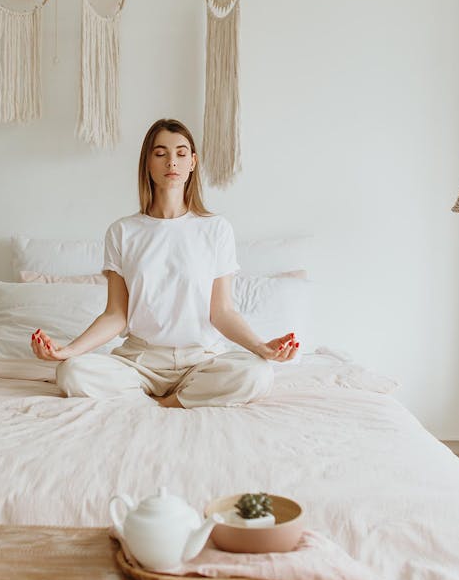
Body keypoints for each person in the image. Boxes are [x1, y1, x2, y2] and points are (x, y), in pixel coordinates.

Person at [30, 118, 300, 408]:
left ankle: (166, 402)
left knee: (258, 374)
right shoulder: (123, 231)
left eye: (181, 153)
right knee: (71, 372)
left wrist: (261, 347)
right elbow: (116, 315)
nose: (172, 161)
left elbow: (221, 312)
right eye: (160, 153)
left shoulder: (216, 229)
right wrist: (68, 350)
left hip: (200, 361)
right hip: (139, 361)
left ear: (193, 162)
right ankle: (164, 398)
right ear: (147, 162)